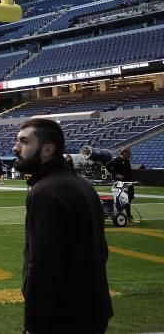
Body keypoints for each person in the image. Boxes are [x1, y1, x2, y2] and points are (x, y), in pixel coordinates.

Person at [12, 118, 112, 334]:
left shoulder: (46, 192)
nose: (15, 147)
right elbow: (101, 251)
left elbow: (42, 265)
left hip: (63, 316)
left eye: (24, 141)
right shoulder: (81, 185)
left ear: (47, 149)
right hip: (92, 309)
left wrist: (33, 325)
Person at [104, 147, 134, 219]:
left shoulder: (127, 160)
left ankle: (128, 215)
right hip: (120, 183)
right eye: (129, 153)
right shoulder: (117, 159)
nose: (130, 155)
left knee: (128, 199)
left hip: (128, 182)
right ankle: (119, 215)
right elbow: (107, 165)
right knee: (121, 199)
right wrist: (116, 174)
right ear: (124, 153)